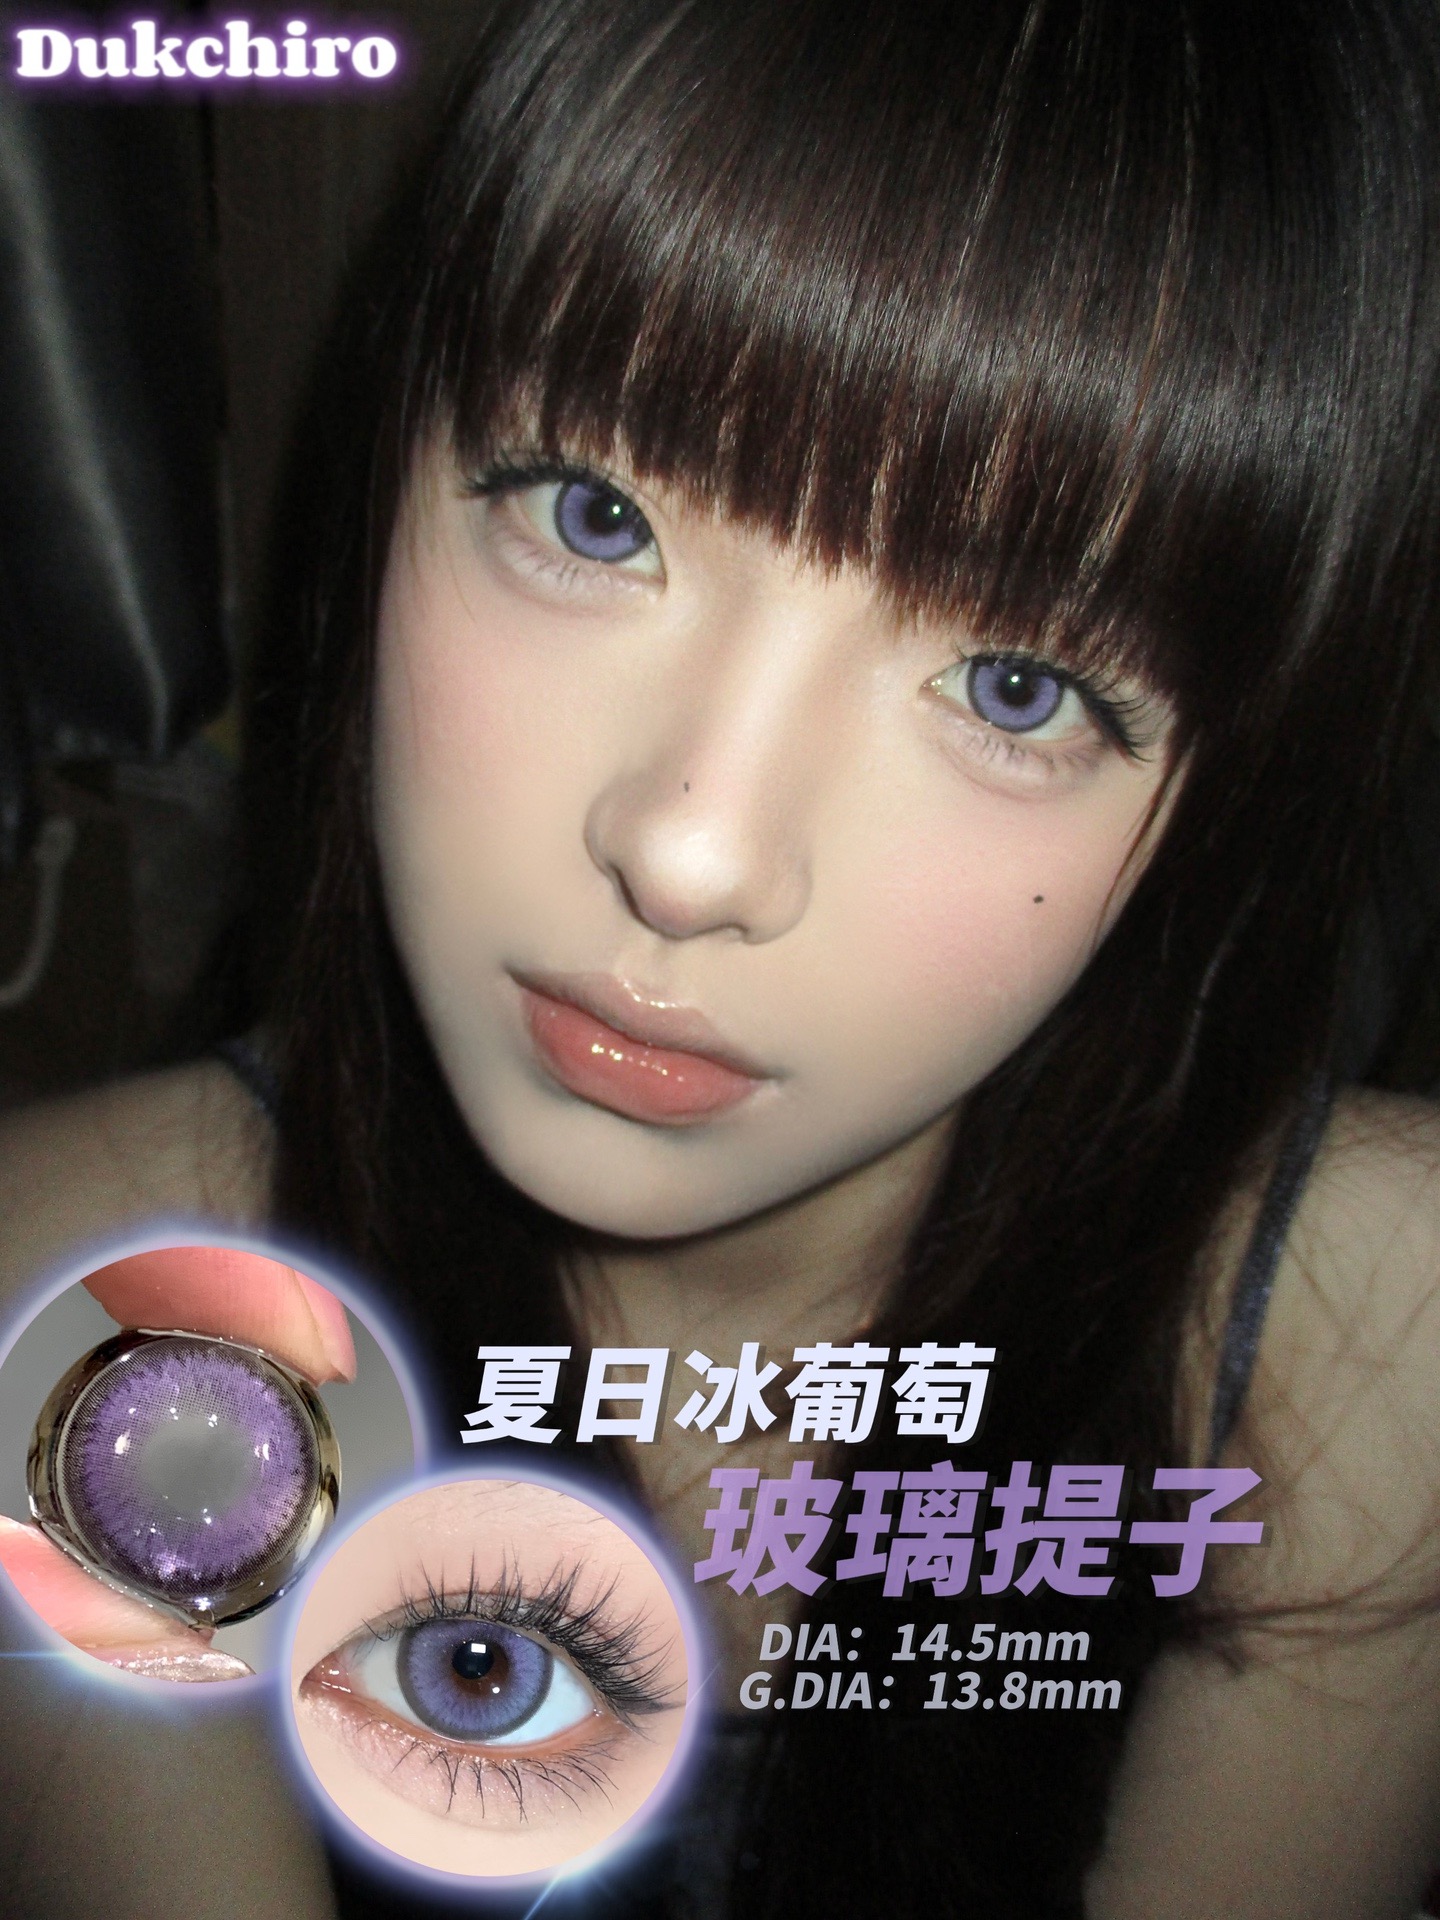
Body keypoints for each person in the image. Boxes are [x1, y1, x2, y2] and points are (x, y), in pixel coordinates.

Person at [4, 0, 1440, 1914]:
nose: (690, 856)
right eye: (594, 515)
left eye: (1017, 686)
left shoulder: (1380, 1347)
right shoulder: (83, 1295)